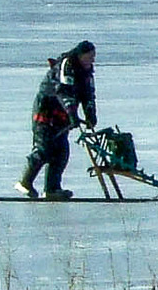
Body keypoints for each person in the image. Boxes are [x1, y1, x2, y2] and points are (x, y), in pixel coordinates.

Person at [16, 41, 97, 199]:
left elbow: (88, 95)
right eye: (90, 57)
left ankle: (52, 189)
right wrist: (72, 114)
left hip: (62, 115)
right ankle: (25, 182)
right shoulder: (66, 66)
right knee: (44, 148)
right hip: (46, 111)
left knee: (61, 152)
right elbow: (63, 92)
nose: (92, 60)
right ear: (80, 55)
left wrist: (90, 115)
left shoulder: (86, 73)